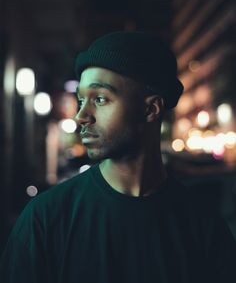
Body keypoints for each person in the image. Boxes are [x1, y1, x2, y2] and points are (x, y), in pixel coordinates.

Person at [0, 31, 236, 283]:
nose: (81, 115)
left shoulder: (203, 227)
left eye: (100, 99)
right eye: (81, 100)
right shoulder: (46, 219)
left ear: (150, 108)